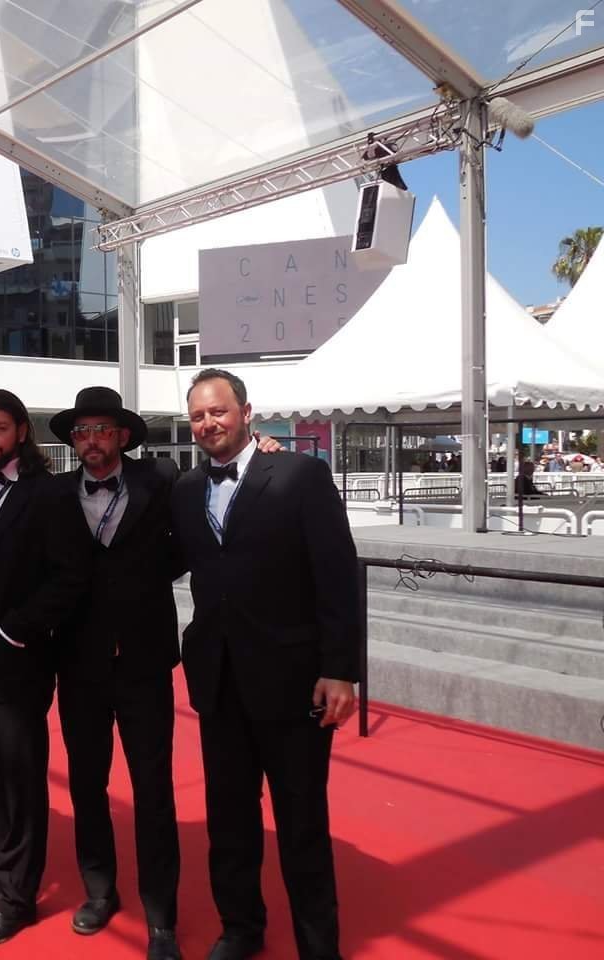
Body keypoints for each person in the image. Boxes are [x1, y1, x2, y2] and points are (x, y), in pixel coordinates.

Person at [170, 369, 359, 960]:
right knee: (228, 819)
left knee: (302, 822)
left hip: (293, 678)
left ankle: (317, 945)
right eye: (198, 416)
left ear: (247, 412)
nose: (208, 425)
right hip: (219, 680)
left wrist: (340, 668)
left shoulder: (300, 474)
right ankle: (241, 929)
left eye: (218, 412)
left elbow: (336, 573)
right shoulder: (183, 488)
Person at [0, 388, 90, 947]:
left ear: (21, 433)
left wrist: (19, 627)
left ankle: (18, 897)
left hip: (21, 660)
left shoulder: (49, 493)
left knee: (22, 779)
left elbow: (70, 576)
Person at [48, 386, 183, 960]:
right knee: (87, 785)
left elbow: (185, 547)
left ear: (123, 436)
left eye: (101, 429)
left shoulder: (164, 483)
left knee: (153, 792)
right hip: (78, 666)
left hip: (145, 663)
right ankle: (99, 891)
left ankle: (161, 917)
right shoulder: (54, 495)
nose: (91, 441)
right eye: (81, 432)